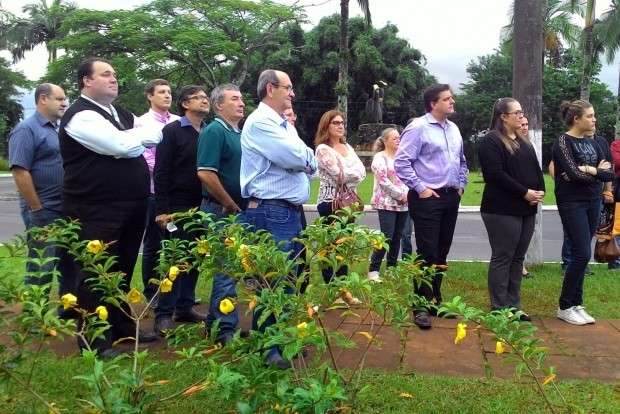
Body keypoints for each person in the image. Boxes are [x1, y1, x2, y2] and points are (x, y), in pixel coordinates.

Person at [59, 57, 159, 357]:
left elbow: (153, 135)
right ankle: (93, 339)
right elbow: (122, 147)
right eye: (105, 74)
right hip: (94, 207)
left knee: (121, 269)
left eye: (114, 74)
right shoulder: (81, 116)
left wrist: (132, 139)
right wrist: (133, 140)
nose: (113, 78)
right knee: (95, 272)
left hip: (130, 205)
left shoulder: (120, 113)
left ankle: (120, 324)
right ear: (86, 81)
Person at [240, 69, 317, 369]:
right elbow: (298, 158)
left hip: (287, 210)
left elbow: (305, 157)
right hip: (271, 211)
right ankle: (270, 349)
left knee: (288, 282)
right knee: (272, 281)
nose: (293, 94)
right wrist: (305, 160)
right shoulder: (261, 123)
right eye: (289, 88)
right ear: (271, 89)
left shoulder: (282, 123)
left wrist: (305, 159)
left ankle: (280, 342)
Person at [394, 83, 468, 329]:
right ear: (433, 103)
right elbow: (402, 162)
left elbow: (461, 160)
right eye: (447, 99)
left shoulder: (454, 128)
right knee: (427, 251)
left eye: (452, 98)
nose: (452, 102)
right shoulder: (418, 127)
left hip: (450, 196)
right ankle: (420, 305)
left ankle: (435, 300)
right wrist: (421, 188)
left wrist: (461, 184)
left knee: (442, 251)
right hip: (427, 198)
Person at [478, 98, 544, 320]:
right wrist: (524, 192)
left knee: (518, 258)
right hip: (501, 209)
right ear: (503, 117)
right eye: (516, 112)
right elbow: (495, 175)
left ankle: (514, 305)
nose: (520, 115)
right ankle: (499, 307)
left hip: (526, 209)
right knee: (504, 257)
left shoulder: (524, 141)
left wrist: (539, 191)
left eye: (521, 112)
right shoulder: (492, 141)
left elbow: (536, 169)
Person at [152, 85, 209, 336]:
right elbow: (161, 171)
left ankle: (185, 307)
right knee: (175, 260)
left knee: (196, 258)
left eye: (206, 97)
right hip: (176, 205)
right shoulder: (173, 131)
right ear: (185, 104)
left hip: (203, 205)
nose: (204, 101)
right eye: (198, 97)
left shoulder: (208, 132)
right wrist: (162, 210)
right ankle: (163, 314)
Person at [552, 100, 613, 325]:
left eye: (593, 115)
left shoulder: (595, 142)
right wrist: (596, 172)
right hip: (571, 202)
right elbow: (571, 175)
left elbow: (609, 175)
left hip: (593, 200)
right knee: (580, 254)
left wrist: (588, 169)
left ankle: (577, 303)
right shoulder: (563, 142)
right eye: (589, 116)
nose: (594, 119)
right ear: (576, 119)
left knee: (582, 251)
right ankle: (565, 305)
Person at [196, 83, 245, 344]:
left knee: (232, 270)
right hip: (221, 210)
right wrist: (228, 202)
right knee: (226, 271)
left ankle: (215, 323)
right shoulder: (215, 130)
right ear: (218, 105)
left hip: (237, 210)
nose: (241, 103)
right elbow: (205, 172)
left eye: (242, 98)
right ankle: (225, 331)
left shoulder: (237, 133)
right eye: (234, 99)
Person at [8, 83, 67, 291]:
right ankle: (35, 320)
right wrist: (36, 208)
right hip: (44, 208)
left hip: (64, 207)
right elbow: (19, 171)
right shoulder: (26, 129)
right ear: (43, 99)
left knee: (66, 266)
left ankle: (66, 315)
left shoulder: (59, 129)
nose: (64, 103)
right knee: (42, 265)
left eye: (65, 99)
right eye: (59, 99)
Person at [314, 109, 366, 300]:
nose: (340, 126)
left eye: (342, 122)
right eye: (335, 123)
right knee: (331, 247)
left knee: (344, 247)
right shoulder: (322, 149)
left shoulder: (348, 147)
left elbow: (361, 172)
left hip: (349, 203)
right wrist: (351, 175)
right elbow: (338, 175)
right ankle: (335, 290)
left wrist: (350, 175)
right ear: (326, 126)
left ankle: (343, 290)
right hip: (331, 203)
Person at [137, 79, 179, 302]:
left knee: (177, 242)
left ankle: (175, 291)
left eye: (169, 91)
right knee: (153, 244)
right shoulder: (142, 123)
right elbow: (147, 160)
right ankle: (152, 292)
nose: (167, 95)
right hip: (154, 192)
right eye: (161, 92)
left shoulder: (179, 122)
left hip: (178, 195)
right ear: (150, 96)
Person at [368, 128, 409, 282]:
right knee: (386, 236)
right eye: (394, 138)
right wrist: (400, 195)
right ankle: (374, 269)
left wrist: (407, 194)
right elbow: (383, 180)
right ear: (385, 141)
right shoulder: (380, 158)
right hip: (386, 203)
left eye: (399, 138)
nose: (398, 141)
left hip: (404, 203)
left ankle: (392, 268)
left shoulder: (403, 157)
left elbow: (409, 176)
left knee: (397, 237)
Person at [519, 117, 534, 279]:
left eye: (526, 124)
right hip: (518, 195)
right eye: (521, 124)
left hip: (531, 197)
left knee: (524, 238)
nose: (524, 127)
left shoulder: (529, 144)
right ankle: (519, 266)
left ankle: (519, 264)